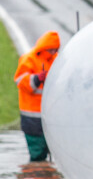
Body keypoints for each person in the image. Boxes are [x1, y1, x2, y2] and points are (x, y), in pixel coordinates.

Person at [14, 30, 60, 162]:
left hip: (50, 116)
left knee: (50, 150)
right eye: (51, 50)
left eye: (55, 50)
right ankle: (37, 178)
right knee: (37, 154)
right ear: (44, 47)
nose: (53, 52)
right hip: (32, 117)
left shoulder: (56, 60)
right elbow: (20, 81)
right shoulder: (29, 59)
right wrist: (37, 79)